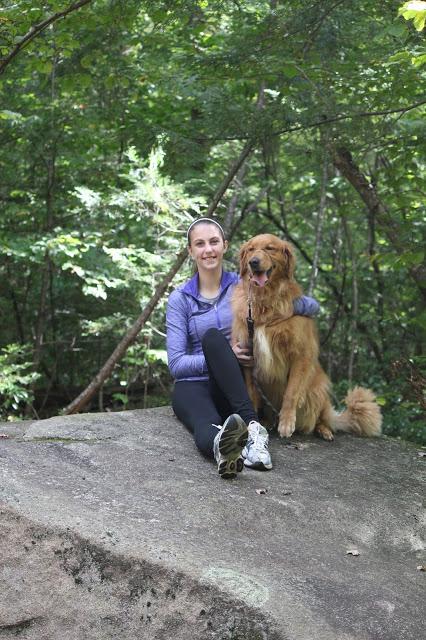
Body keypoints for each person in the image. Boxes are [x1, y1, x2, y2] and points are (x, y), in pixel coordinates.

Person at [166, 218, 319, 479]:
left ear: (224, 246)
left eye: (214, 242)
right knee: (214, 345)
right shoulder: (180, 299)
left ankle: (254, 433)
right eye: (199, 244)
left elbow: (310, 306)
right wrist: (224, 356)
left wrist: (291, 308)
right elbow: (176, 364)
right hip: (193, 384)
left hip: (232, 385)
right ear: (191, 251)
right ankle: (223, 448)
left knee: (216, 342)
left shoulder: (247, 284)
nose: (208, 249)